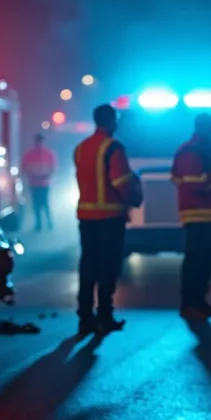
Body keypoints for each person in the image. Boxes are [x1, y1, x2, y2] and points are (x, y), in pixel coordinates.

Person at [73, 104, 143, 335]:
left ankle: (85, 317)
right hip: (110, 218)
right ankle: (105, 315)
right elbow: (121, 183)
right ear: (112, 121)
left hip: (86, 217)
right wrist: (135, 198)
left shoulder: (82, 148)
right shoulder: (114, 148)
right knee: (108, 267)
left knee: (87, 266)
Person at [171, 113, 211, 320]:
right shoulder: (190, 151)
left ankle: (199, 302)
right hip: (197, 215)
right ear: (202, 128)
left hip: (209, 215)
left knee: (204, 261)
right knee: (195, 261)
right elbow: (193, 182)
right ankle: (189, 304)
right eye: (209, 127)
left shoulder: (202, 149)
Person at [21, 133, 56, 231]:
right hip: (34, 183)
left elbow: (52, 168)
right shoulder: (29, 154)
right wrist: (32, 175)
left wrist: (45, 176)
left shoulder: (49, 154)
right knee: (36, 204)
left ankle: (49, 222)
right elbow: (24, 168)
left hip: (45, 183)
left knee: (45, 203)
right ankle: (38, 223)